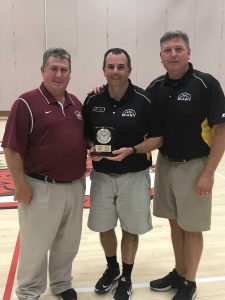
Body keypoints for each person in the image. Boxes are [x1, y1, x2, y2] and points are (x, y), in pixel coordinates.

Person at [2, 48, 87, 300]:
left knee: (67, 243)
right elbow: (11, 147)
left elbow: (82, 139)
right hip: (40, 187)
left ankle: (61, 284)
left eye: (64, 70)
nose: (58, 74)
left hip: (75, 186)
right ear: (43, 71)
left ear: (70, 74)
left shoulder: (76, 104)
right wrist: (20, 185)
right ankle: (29, 291)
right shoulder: (25, 103)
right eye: (54, 69)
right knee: (36, 244)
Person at [147, 30, 225, 300]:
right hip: (165, 165)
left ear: (188, 53)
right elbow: (132, 106)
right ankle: (179, 273)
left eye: (179, 49)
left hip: (195, 167)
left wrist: (209, 172)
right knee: (175, 224)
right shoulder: (157, 87)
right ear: (160, 57)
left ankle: (190, 281)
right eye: (167, 50)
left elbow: (221, 131)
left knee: (192, 228)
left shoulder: (206, 84)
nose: (173, 54)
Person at [83, 48, 162, 300]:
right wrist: (91, 148)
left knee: (130, 229)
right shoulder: (92, 100)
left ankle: (126, 276)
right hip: (102, 176)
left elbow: (158, 139)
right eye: (110, 66)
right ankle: (112, 268)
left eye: (120, 66)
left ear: (129, 69)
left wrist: (132, 150)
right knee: (104, 227)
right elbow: (86, 134)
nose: (115, 72)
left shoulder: (145, 100)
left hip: (134, 176)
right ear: (103, 69)